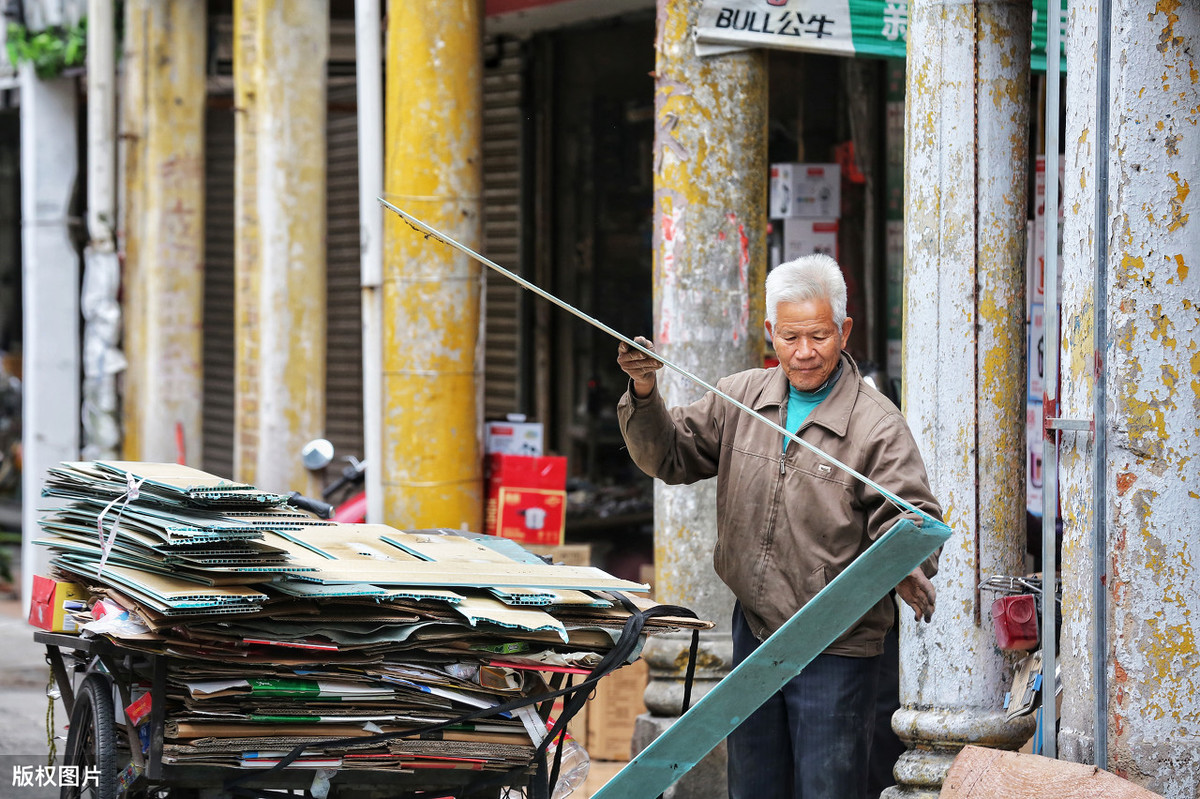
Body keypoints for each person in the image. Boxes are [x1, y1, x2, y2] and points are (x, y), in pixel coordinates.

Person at [616, 254, 942, 799]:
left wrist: (901, 562)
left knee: (827, 788)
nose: (804, 351)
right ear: (772, 332)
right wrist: (645, 391)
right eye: (790, 337)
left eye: (819, 335)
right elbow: (669, 455)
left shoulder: (877, 424)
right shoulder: (741, 396)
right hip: (757, 629)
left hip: (837, 641)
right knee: (755, 785)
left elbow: (910, 514)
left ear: (844, 331)